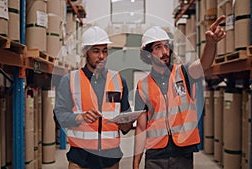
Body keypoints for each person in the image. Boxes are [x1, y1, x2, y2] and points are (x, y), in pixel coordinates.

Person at [133, 15, 226, 169]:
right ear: (148, 55)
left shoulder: (184, 73)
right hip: (155, 156)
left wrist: (211, 44)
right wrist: (136, 163)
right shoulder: (142, 86)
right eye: (157, 47)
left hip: (182, 153)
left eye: (166, 46)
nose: (164, 52)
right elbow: (141, 128)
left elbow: (204, 64)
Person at [54, 26, 133, 169]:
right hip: (80, 159)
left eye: (104, 51)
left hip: (110, 159)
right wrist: (80, 117)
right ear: (85, 52)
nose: (102, 56)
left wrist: (127, 123)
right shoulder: (69, 80)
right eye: (96, 51)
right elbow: (58, 116)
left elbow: (126, 118)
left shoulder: (119, 80)